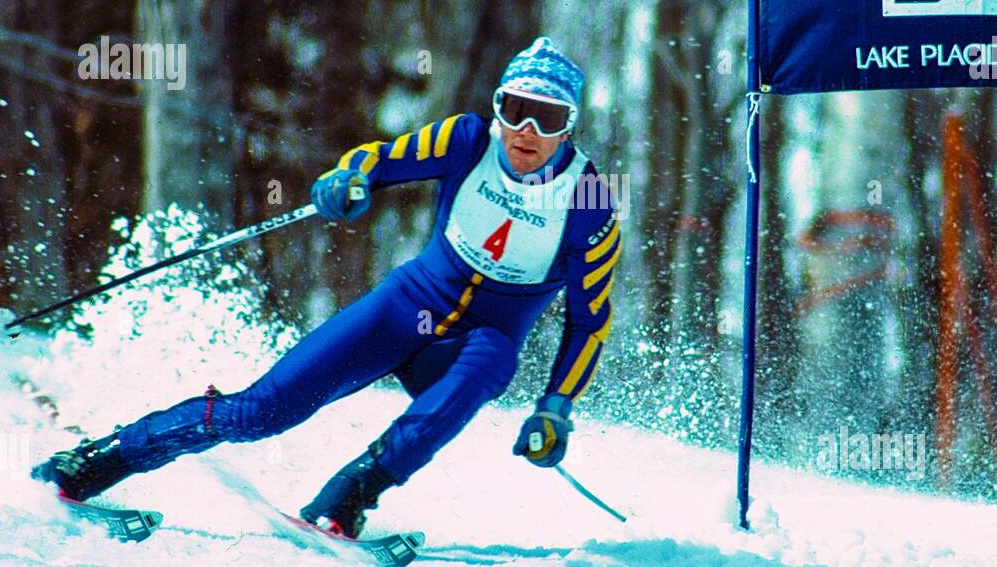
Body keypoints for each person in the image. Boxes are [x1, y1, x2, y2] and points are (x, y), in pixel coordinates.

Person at [32, 37, 620, 537]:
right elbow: (377, 159)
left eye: (547, 118)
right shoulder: (468, 140)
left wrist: (556, 409)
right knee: (261, 412)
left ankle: (349, 498)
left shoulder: (590, 200)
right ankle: (100, 459)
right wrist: (347, 181)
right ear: (497, 108)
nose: (525, 130)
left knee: (493, 359)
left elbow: (589, 320)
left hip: (471, 346)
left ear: (569, 129)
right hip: (406, 310)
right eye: (515, 108)